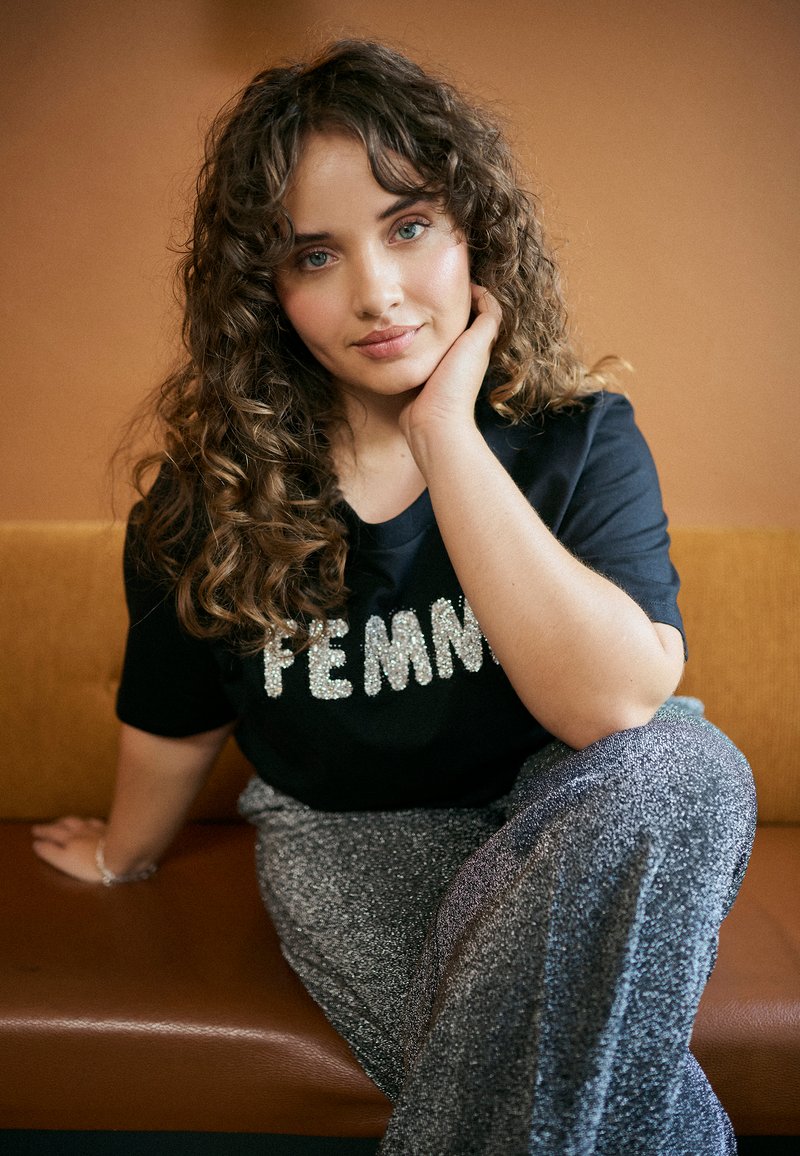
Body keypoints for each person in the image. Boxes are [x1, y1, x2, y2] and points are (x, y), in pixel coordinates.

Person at [31, 39, 755, 1155]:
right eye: (314, 256)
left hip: (570, 808)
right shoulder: (203, 502)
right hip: (349, 836)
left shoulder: (579, 438)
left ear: (475, 234)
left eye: (408, 227)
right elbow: (177, 721)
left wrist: (442, 434)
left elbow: (612, 708)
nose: (374, 292)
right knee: (546, 1074)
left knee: (686, 767)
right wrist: (125, 853)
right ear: (265, 292)